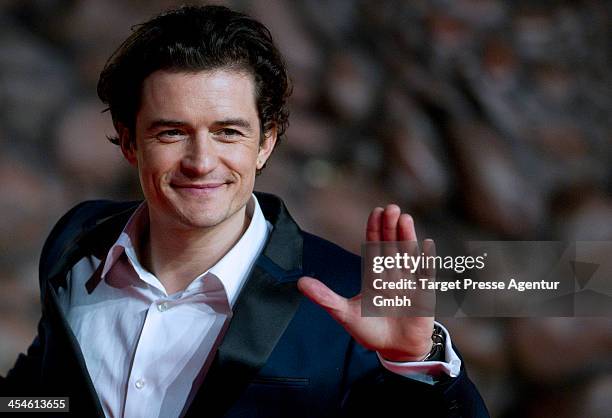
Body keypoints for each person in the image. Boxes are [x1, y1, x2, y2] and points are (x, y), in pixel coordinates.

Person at [0, 5, 489, 417]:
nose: (200, 162)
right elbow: (44, 394)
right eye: (171, 132)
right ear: (130, 141)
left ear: (266, 142)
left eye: (228, 132)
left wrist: (416, 364)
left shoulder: (349, 296)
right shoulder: (77, 241)